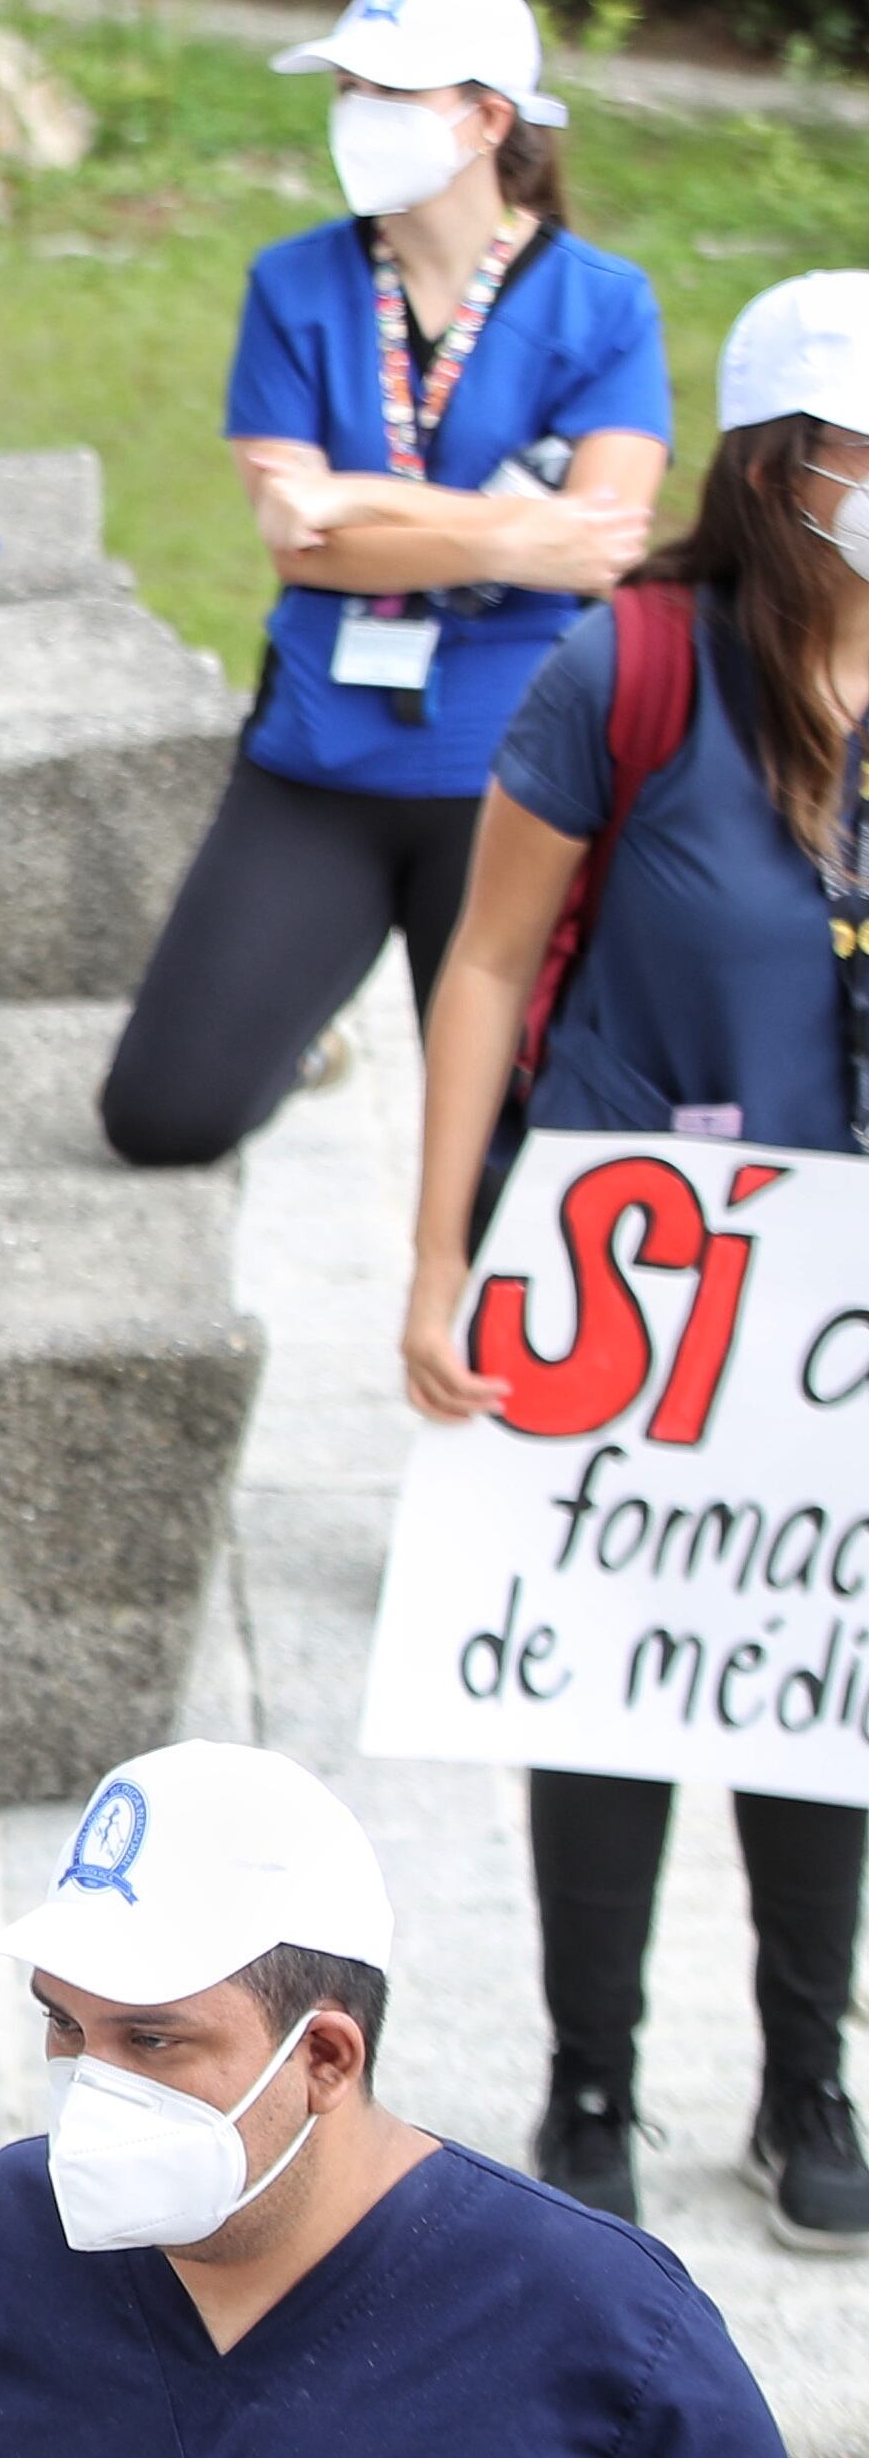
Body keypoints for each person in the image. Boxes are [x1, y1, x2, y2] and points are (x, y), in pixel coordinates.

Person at [403, 271, 869, 2250]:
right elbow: (486, 961)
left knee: (814, 1669)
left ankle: (803, 2075)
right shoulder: (635, 667)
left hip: (835, 1290)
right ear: (784, 464)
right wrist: (437, 1257)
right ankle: (590, 2072)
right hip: (634, 1266)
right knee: (608, 1686)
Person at [96, 0, 667, 1170]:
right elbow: (297, 546)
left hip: (518, 777)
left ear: (487, 119)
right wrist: (507, 533)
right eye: (347, 87)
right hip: (322, 756)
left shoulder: (604, 305)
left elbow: (602, 546)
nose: (356, 113)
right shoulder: (293, 283)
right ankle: (302, 1039)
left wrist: (360, 496)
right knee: (158, 1118)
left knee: (522, 1163)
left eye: (390, 92)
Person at [0, 1742, 786, 2451]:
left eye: (151, 2039)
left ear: (325, 2056)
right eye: (63, 2023)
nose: (91, 2082)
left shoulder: (606, 2336)